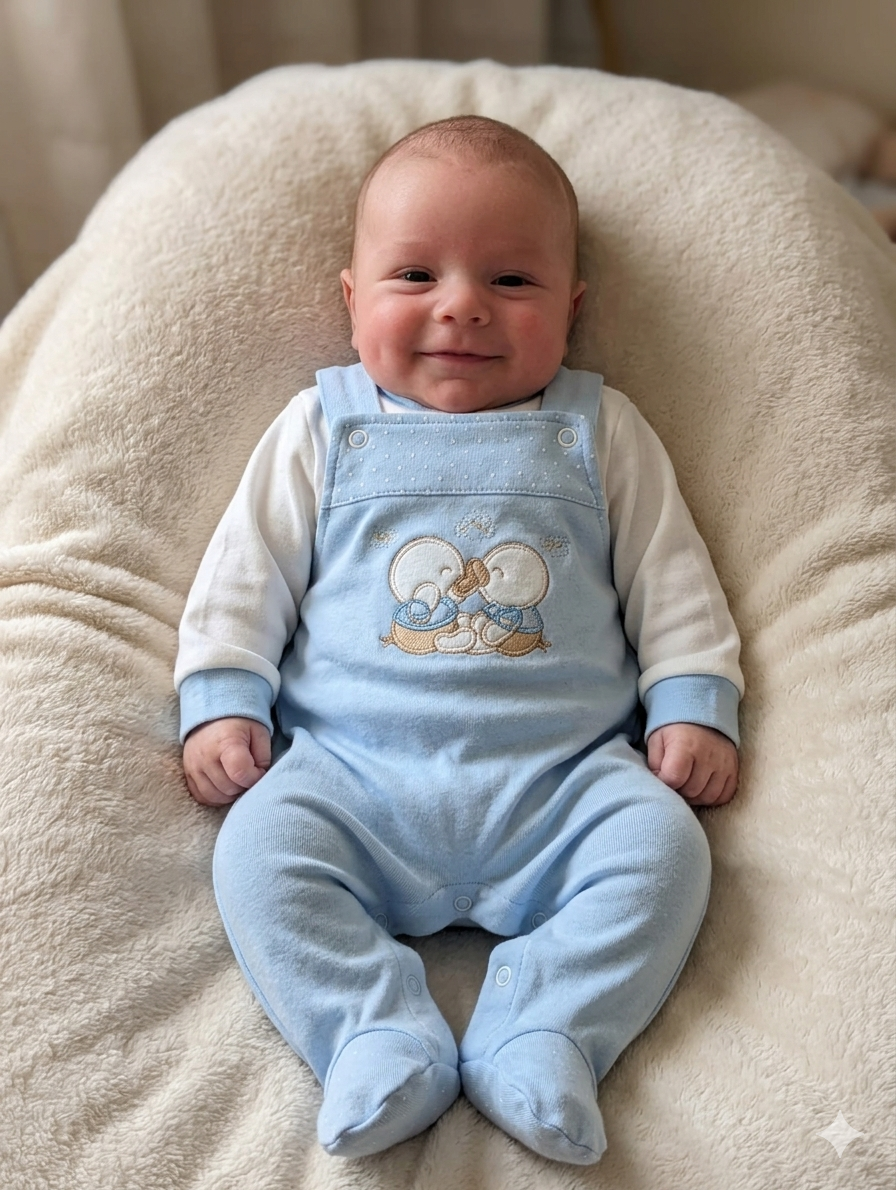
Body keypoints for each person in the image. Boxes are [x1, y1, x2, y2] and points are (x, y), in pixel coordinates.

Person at [175, 115, 742, 1166]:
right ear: (352, 301)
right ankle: (370, 1028)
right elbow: (243, 569)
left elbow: (669, 570)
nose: (461, 304)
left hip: (562, 779)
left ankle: (546, 1023)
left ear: (570, 310)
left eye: (511, 282)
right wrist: (221, 692)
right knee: (257, 851)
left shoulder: (595, 428)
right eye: (413, 273)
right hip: (351, 777)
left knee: (665, 852)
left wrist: (690, 697)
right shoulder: (323, 427)